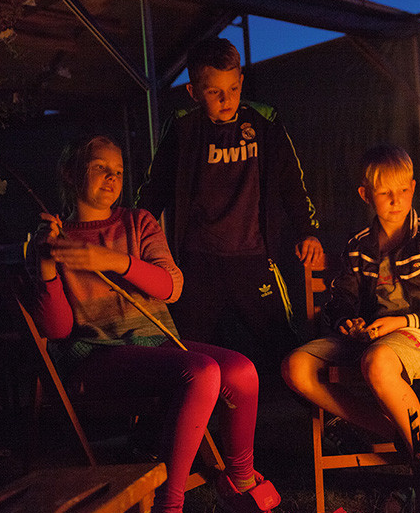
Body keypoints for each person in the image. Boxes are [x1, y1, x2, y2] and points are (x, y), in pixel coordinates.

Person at [25, 135, 280, 513]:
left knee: (243, 372)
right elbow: (58, 331)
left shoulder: (138, 222)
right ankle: (168, 510)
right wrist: (45, 265)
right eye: (100, 168)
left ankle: (240, 483)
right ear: (70, 173)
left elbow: (171, 287)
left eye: (119, 171)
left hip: (156, 343)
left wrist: (112, 260)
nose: (112, 178)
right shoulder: (54, 240)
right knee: (201, 373)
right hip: (97, 356)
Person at [136, 38, 322, 379]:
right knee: (184, 355)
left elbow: (291, 183)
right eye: (214, 92)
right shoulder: (182, 126)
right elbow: (154, 190)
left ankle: (326, 421)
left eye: (233, 88)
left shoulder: (265, 121)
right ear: (193, 91)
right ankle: (178, 429)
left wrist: (307, 232)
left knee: (285, 347)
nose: (227, 99)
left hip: (253, 258)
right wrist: (130, 237)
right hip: (196, 262)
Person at [281, 144, 420, 453]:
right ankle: (400, 435)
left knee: (377, 362)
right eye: (384, 193)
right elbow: (341, 299)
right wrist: (346, 320)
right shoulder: (358, 246)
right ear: (366, 195)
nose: (396, 201)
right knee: (295, 366)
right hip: (370, 337)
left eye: (403, 190)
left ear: (413, 188)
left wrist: (402, 321)